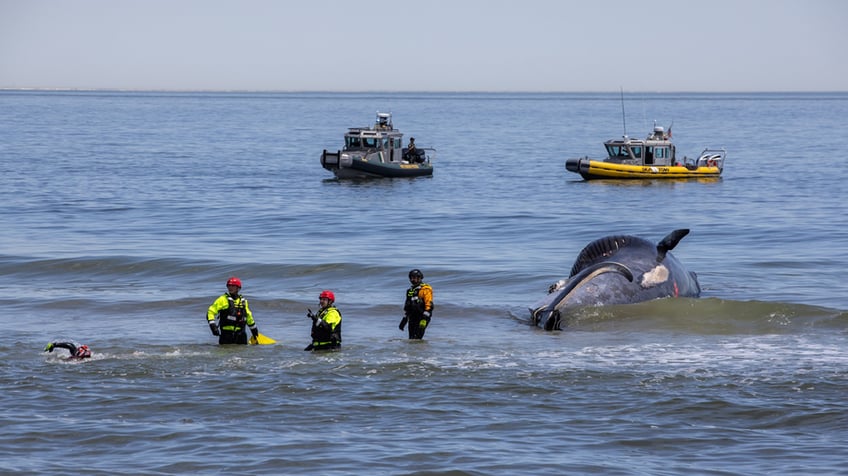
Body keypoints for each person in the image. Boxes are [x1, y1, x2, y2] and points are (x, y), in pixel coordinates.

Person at [206, 276, 260, 345]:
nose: (230, 288)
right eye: (229, 286)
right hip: (226, 335)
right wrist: (212, 326)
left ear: (238, 288)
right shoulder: (222, 299)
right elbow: (210, 312)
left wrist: (254, 330)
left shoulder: (243, 301)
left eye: (233, 286)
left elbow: (249, 316)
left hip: (241, 335)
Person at [399, 269, 433, 339]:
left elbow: (429, 305)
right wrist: (404, 320)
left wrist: (424, 319)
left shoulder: (425, 289)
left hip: (422, 316)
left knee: (417, 338)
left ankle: (420, 349)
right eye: (411, 278)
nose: (412, 279)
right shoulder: (410, 291)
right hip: (412, 317)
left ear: (419, 278)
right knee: (411, 338)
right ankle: (413, 350)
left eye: (414, 278)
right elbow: (408, 306)